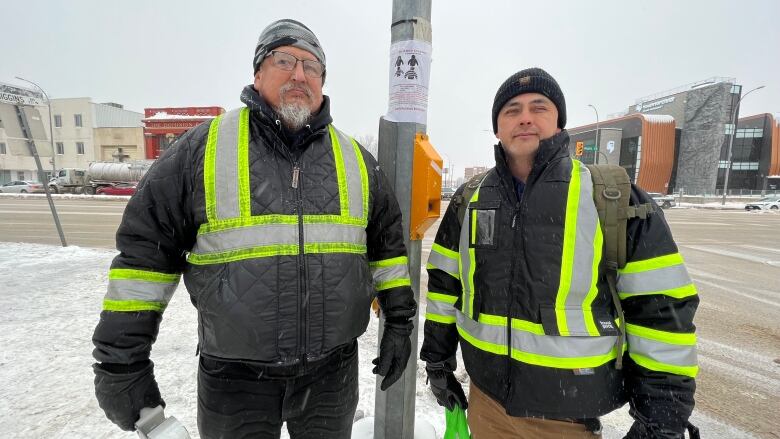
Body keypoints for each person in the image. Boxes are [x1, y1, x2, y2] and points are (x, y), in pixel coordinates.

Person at [92, 19, 417, 439]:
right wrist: (122, 364)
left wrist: (399, 322)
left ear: (322, 80)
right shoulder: (202, 149)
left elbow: (387, 250)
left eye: (312, 66)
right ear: (258, 72)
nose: (299, 74)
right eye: (284, 60)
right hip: (234, 379)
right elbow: (143, 260)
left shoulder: (355, 159)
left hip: (331, 377)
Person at [421, 67, 698, 438]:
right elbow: (444, 286)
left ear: (559, 122)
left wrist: (661, 416)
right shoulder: (470, 199)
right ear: (498, 128)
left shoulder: (611, 196)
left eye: (539, 107)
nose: (525, 118)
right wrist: (437, 361)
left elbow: (661, 310)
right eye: (511, 110)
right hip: (486, 405)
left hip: (566, 420)